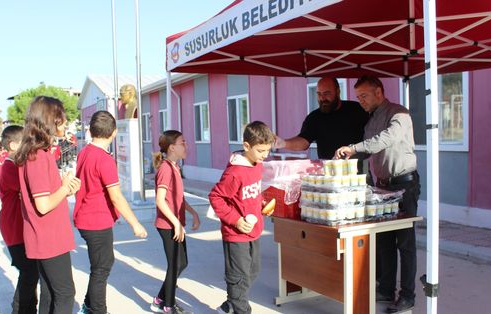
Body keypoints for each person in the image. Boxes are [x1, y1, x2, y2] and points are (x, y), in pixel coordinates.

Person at [334, 75, 420, 314]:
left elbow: (384, 140)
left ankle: (407, 295)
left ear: (379, 92)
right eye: (358, 97)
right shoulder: (370, 121)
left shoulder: (399, 114)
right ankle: (386, 289)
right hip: (382, 187)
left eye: (364, 96)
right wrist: (345, 159)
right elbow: (366, 150)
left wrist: (354, 148)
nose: (360, 101)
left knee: (405, 242)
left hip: (404, 185)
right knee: (383, 240)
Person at [73, 111, 148, 314]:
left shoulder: (85, 152)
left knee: (102, 264)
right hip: (96, 220)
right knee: (101, 269)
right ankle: (97, 310)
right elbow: (116, 197)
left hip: (85, 217)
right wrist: (135, 223)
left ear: (91, 131)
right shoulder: (104, 160)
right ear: (114, 133)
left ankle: (89, 305)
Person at [15, 96, 82, 314]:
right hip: (49, 237)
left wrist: (63, 187)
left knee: (50, 294)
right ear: (49, 120)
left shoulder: (33, 152)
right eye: (60, 118)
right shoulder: (38, 156)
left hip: (43, 236)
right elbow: (43, 205)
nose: (63, 123)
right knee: (65, 294)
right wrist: (64, 189)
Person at [209, 121, 274, 314]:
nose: (265, 155)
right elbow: (216, 197)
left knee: (252, 272)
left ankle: (230, 304)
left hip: (253, 232)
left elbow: (251, 193)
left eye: (268, 150)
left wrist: (261, 203)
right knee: (238, 276)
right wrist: (236, 220)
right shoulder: (235, 172)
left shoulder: (257, 165)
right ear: (247, 146)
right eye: (261, 151)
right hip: (236, 233)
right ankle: (240, 309)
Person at [0, 125, 50, 314]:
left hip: (18, 228)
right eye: (25, 142)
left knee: (30, 273)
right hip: (14, 229)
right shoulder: (10, 168)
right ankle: (20, 309)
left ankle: (28, 308)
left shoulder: (14, 166)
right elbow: (30, 187)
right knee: (29, 274)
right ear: (13, 145)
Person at [149, 130, 200, 314]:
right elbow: (160, 200)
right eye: (182, 142)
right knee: (175, 264)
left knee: (181, 263)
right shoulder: (165, 169)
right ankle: (168, 306)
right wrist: (176, 223)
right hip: (168, 225)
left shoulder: (175, 167)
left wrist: (193, 212)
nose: (186, 146)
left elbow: (178, 198)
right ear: (172, 147)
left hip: (176, 224)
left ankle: (159, 299)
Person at [274, 77, 369, 161]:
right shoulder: (314, 118)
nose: (322, 98)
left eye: (327, 93)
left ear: (338, 91)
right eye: (319, 94)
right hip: (329, 174)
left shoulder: (357, 109)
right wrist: (284, 143)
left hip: (359, 173)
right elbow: (303, 142)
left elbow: (375, 135)